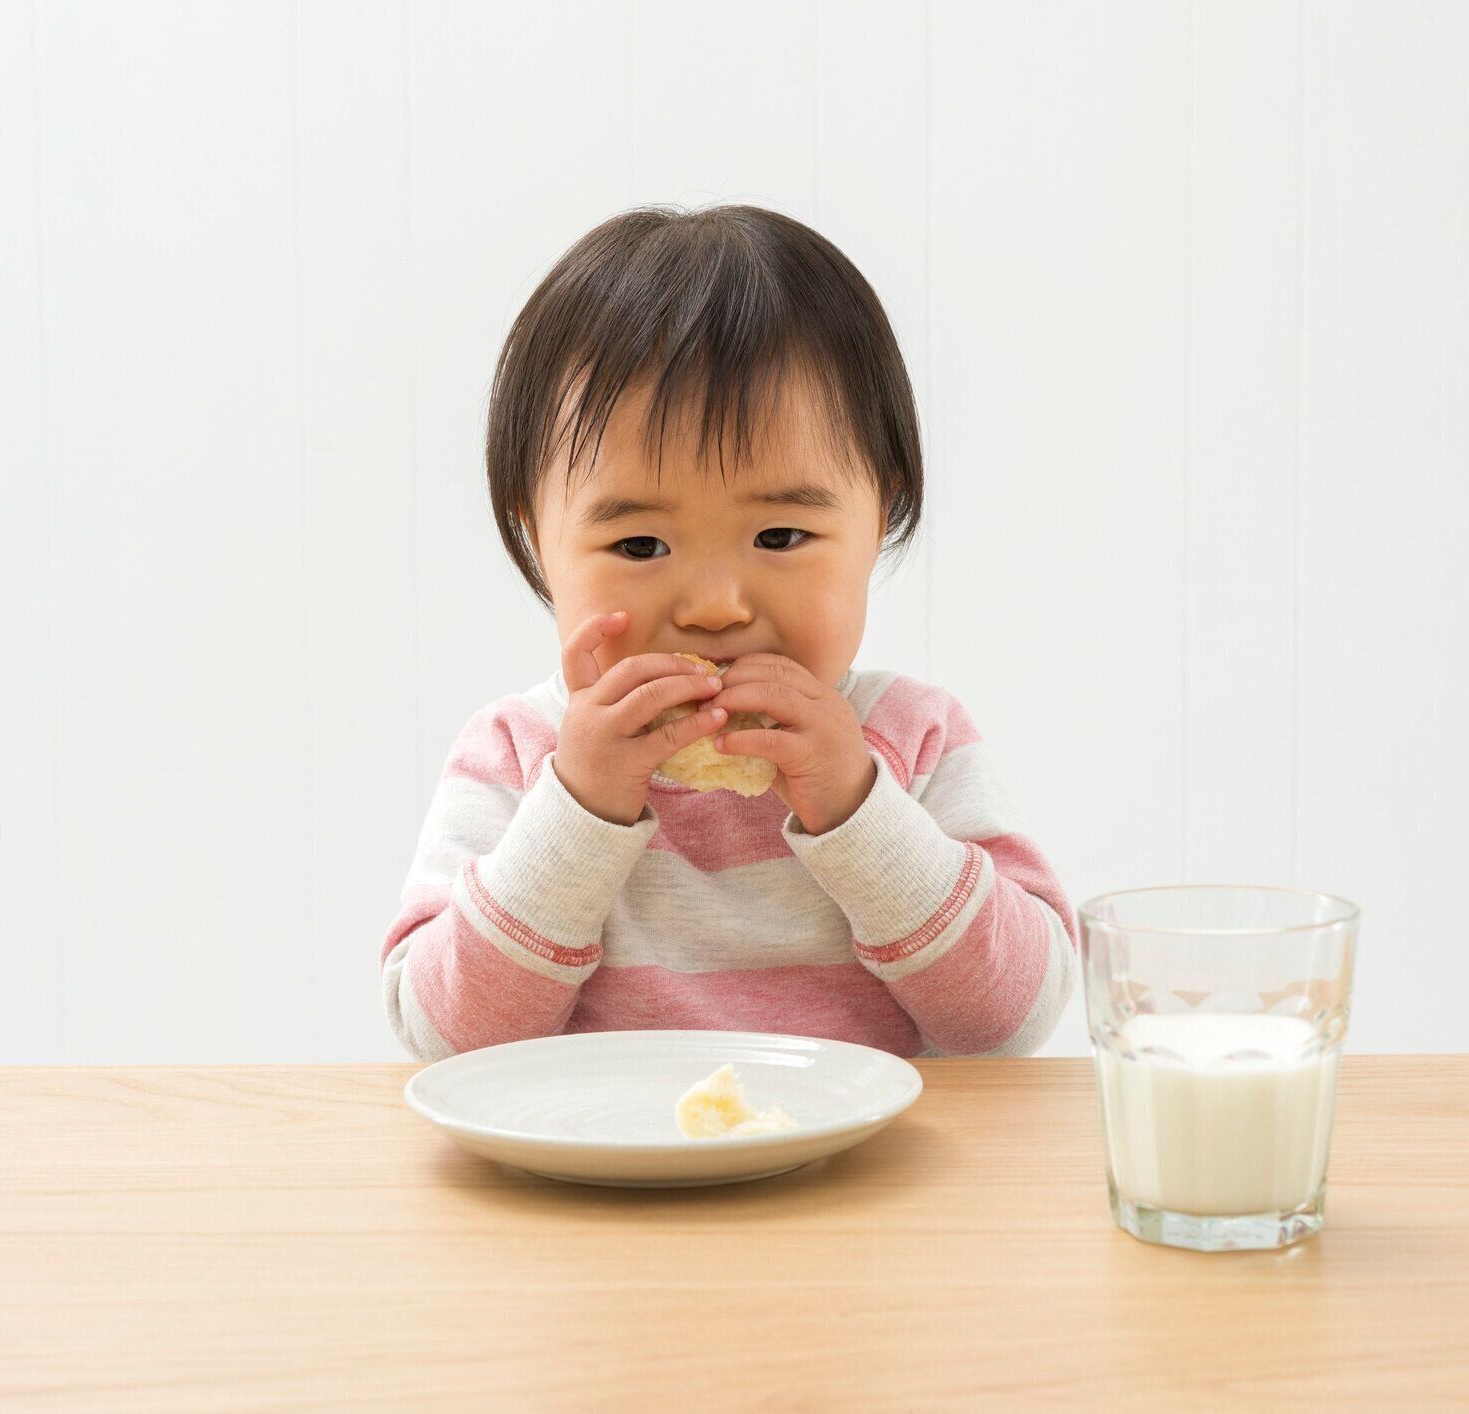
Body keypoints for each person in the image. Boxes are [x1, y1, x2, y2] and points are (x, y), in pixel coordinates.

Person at [381, 203, 1074, 1061]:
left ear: (881, 512)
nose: (714, 606)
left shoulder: (911, 741)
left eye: (779, 537)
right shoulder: (519, 757)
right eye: (639, 544)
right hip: (594, 1183)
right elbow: (441, 1038)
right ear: (537, 539)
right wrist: (581, 808)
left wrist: (856, 807)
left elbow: (1012, 1020)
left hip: (866, 1188)